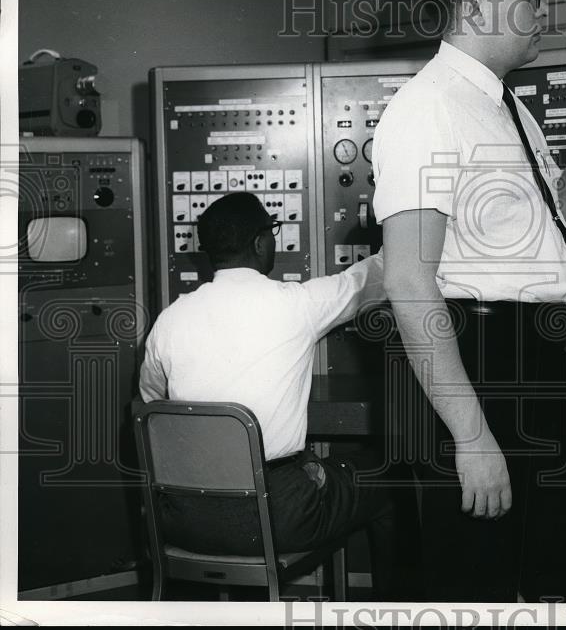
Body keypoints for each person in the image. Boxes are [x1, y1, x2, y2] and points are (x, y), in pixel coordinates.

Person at [372, 0, 566, 602]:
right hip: (481, 365)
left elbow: (547, 237)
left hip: (537, 366)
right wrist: (472, 431)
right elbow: (407, 277)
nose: (541, 6)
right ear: (479, 5)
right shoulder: (424, 109)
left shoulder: (507, 105)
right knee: (477, 587)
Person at [138, 192, 411, 600]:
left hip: (183, 519)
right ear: (262, 243)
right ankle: (399, 615)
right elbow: (366, 280)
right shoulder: (296, 304)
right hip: (275, 517)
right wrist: (405, 232)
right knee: (390, 478)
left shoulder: (168, 321)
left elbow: (151, 412)